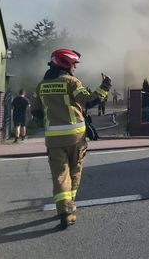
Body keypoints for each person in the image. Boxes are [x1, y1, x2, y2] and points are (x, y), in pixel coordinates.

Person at [30, 49, 111, 230]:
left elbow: (35, 111)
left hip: (54, 140)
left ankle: (65, 211)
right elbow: (89, 101)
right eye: (73, 64)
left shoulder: (41, 85)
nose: (75, 67)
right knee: (75, 171)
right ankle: (70, 204)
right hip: (76, 138)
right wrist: (105, 85)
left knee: (60, 176)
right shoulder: (72, 82)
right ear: (65, 64)